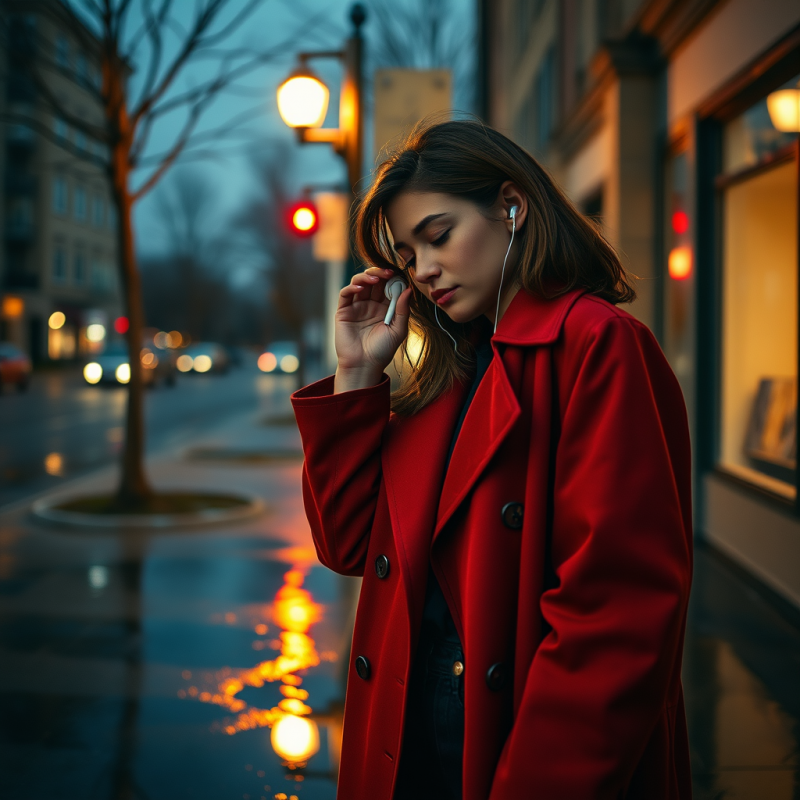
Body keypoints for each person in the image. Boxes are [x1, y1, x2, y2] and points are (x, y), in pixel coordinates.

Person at [291, 119, 693, 800]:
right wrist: (357, 373)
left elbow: (616, 615)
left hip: (517, 749)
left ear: (511, 206)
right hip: (408, 743)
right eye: (408, 255)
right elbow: (350, 545)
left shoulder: (598, 345)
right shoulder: (450, 371)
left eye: (438, 235)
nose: (423, 270)